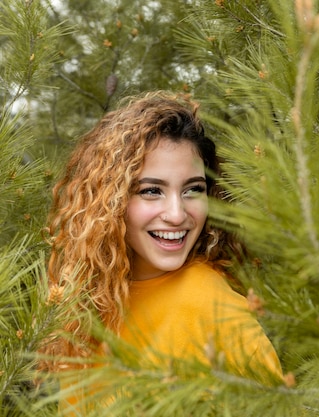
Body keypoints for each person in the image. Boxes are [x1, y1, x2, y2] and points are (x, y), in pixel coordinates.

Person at [41, 91, 283, 413]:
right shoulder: (85, 304)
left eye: (192, 190)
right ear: (110, 201)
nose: (177, 213)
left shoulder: (214, 307)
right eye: (151, 191)